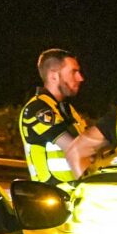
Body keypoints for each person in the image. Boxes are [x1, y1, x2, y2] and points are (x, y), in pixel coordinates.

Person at [18, 47, 106, 182]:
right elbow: (76, 149)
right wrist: (110, 134)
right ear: (53, 75)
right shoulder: (38, 109)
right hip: (51, 195)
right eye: (74, 72)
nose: (80, 78)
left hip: (72, 193)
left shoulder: (66, 108)